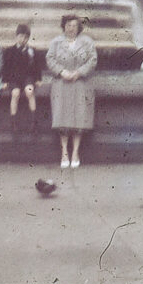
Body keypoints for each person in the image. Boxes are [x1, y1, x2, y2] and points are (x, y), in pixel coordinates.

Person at [46, 14, 97, 169]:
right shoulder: (55, 42)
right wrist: (62, 72)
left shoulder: (87, 42)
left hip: (81, 83)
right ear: (64, 26)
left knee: (79, 119)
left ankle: (75, 152)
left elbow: (93, 60)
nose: (71, 28)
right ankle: (64, 153)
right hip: (62, 83)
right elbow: (50, 59)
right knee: (62, 119)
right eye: (68, 25)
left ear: (78, 27)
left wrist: (79, 72)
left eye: (74, 25)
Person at [2, 24, 42, 131]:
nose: (23, 39)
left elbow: (37, 67)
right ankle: (13, 121)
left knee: (29, 91)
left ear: (28, 38)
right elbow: (5, 67)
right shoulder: (9, 51)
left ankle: (34, 121)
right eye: (20, 36)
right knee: (15, 93)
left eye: (25, 37)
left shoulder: (32, 51)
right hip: (14, 78)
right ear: (16, 36)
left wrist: (38, 79)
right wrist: (5, 81)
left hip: (28, 78)